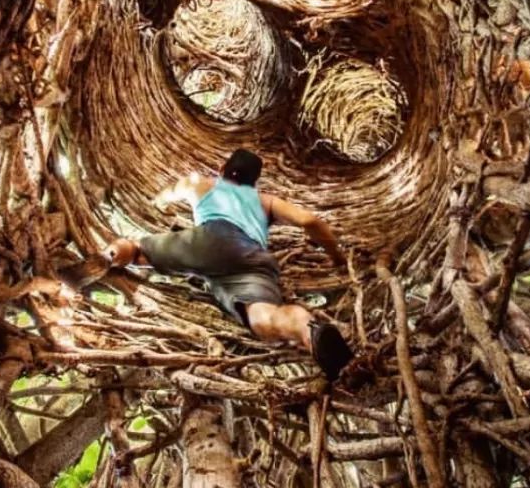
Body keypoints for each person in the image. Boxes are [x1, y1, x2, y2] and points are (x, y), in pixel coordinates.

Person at [105, 148, 353, 380]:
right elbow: (309, 220)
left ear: (222, 169)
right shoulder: (265, 200)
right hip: (250, 258)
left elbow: (168, 194)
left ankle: (108, 256)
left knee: (136, 249)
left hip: (207, 241)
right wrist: (337, 257)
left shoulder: (202, 184)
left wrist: (160, 202)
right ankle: (308, 330)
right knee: (262, 313)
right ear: (254, 182)